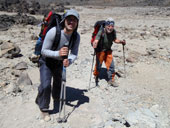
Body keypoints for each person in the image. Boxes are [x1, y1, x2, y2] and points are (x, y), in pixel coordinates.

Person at [35, 9, 80, 121]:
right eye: (69, 19)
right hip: (46, 61)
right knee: (46, 85)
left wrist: (69, 60)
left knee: (58, 83)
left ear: (77, 23)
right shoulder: (54, 32)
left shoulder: (76, 36)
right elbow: (43, 51)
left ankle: (55, 98)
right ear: (64, 20)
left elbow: (74, 53)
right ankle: (44, 109)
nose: (71, 22)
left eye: (74, 20)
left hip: (60, 62)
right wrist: (58, 54)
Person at [92, 17, 126, 87]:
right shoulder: (101, 30)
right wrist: (95, 43)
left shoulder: (113, 31)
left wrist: (120, 42)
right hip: (100, 51)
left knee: (111, 65)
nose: (110, 28)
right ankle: (96, 75)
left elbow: (115, 40)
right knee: (98, 65)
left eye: (112, 26)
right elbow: (97, 38)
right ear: (106, 25)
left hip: (108, 50)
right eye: (109, 26)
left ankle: (111, 80)